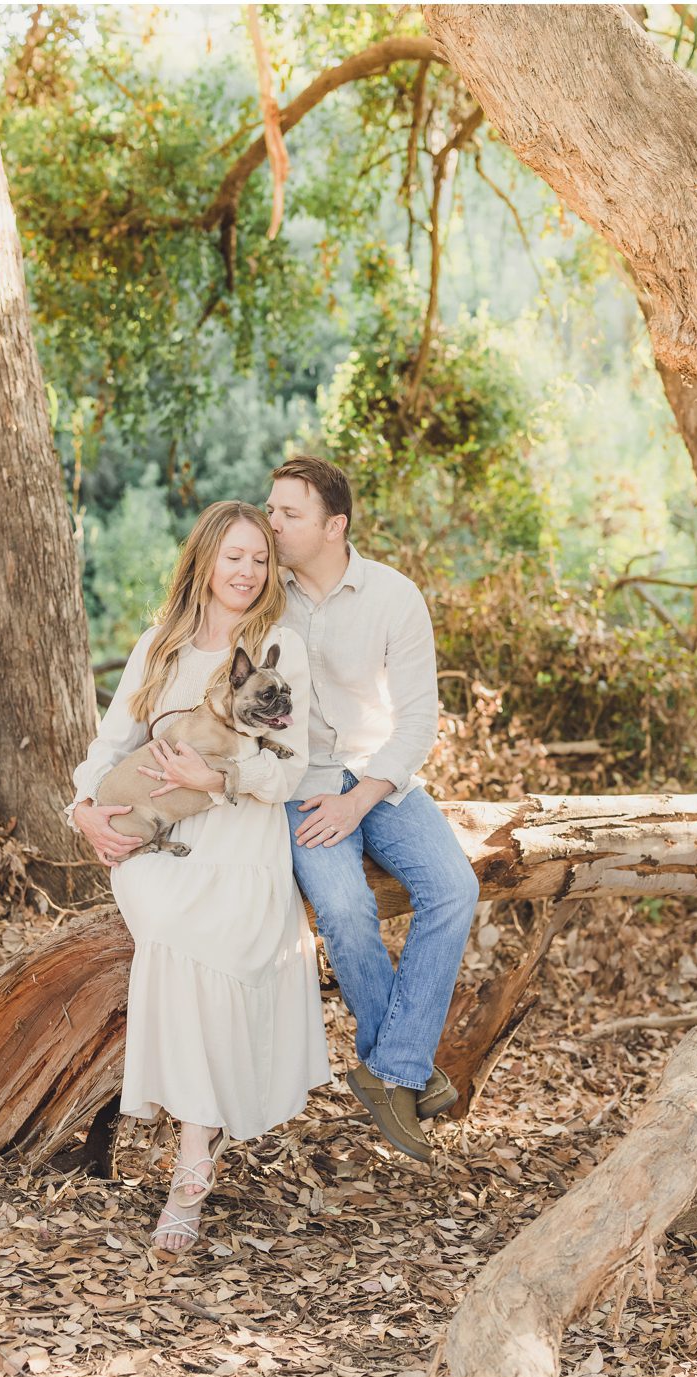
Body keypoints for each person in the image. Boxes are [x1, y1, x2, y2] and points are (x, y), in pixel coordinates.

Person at [68, 501, 331, 1253]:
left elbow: (290, 770)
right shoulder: (162, 645)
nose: (247, 572)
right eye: (234, 556)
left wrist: (215, 779)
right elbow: (110, 739)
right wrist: (81, 806)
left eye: (260, 558)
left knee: (209, 944)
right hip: (161, 843)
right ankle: (196, 1144)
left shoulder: (280, 647)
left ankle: (190, 1163)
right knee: (170, 928)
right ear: (205, 560)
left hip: (242, 837)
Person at [265, 455, 479, 1163]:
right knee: (347, 909)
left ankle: (388, 1070)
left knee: (454, 887)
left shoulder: (393, 596)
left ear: (335, 526)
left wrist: (362, 794)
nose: (272, 524)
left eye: (288, 514)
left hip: (381, 778)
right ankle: (404, 1069)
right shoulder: (263, 597)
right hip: (298, 789)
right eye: (271, 510)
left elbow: (418, 720)